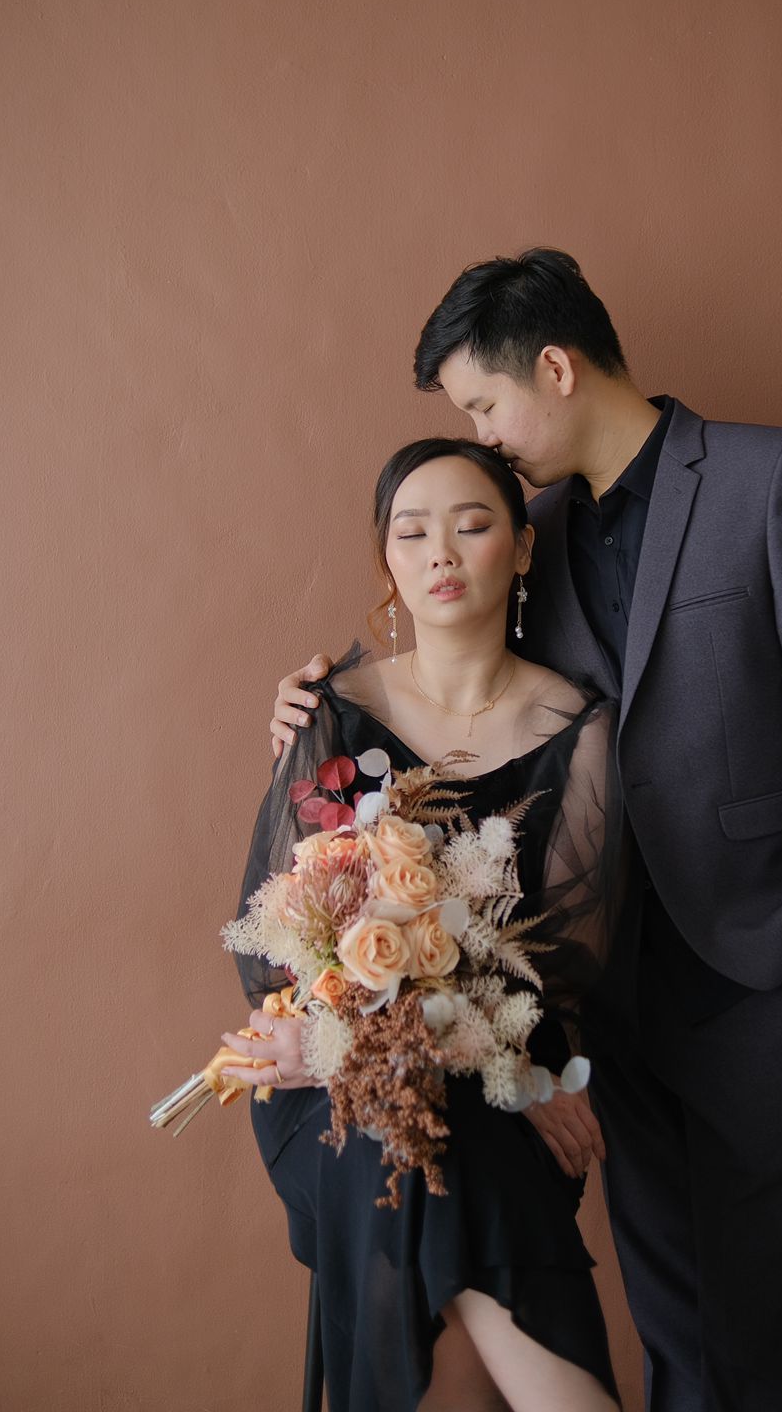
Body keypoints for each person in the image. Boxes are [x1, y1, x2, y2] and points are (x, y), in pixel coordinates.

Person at [271, 249, 782, 1412]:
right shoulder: (530, 528)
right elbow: (455, 668)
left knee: (761, 1316)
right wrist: (313, 703)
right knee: (669, 1309)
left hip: (763, 965)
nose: (481, 434)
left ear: (554, 367)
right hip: (605, 987)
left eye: (483, 405)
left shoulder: (771, 475)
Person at [219, 437, 627, 1412]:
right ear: (388, 562)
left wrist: (485, 1061)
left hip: (506, 1067)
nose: (440, 551)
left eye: (472, 525)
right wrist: (377, 1047)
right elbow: (283, 944)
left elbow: (562, 966)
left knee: (428, 1151)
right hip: (327, 1068)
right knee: (403, 1135)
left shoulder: (576, 727)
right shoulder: (328, 711)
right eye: (412, 533)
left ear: (521, 548)